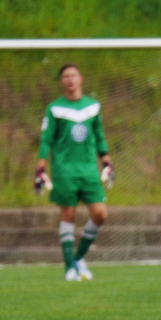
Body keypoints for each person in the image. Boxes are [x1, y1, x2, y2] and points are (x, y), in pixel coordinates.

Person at [35, 64, 113, 281]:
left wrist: (106, 162)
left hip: (88, 170)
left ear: (81, 79)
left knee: (100, 214)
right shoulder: (54, 108)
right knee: (68, 215)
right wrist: (40, 167)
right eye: (65, 76)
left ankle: (77, 258)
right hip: (64, 170)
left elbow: (99, 136)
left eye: (73, 76)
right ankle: (69, 268)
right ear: (61, 82)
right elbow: (46, 139)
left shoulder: (93, 106)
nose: (70, 80)